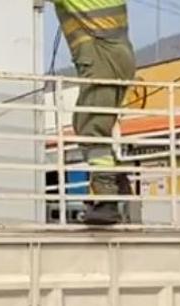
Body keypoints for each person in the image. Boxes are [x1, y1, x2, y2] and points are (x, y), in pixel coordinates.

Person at [54, 0, 136, 225]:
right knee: (86, 123)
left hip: (102, 60)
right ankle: (116, 178)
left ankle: (107, 199)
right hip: (117, 57)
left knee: (92, 130)